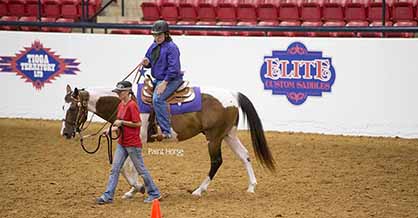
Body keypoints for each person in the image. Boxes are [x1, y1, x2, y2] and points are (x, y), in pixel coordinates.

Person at [96, 81, 161, 204]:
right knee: (115, 169)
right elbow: (120, 123)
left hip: (132, 144)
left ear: (127, 92)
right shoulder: (121, 105)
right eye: (118, 92)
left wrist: (122, 123)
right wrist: (110, 129)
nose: (118, 94)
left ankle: (154, 193)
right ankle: (108, 196)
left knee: (141, 170)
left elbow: (138, 124)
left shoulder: (132, 105)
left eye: (120, 92)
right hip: (122, 142)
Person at [140, 20, 183, 140]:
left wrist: (165, 82)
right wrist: (146, 63)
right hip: (157, 78)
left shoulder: (172, 48)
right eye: (155, 35)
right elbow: (149, 60)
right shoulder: (153, 45)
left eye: (159, 35)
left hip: (172, 79)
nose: (157, 37)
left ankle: (166, 130)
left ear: (166, 34)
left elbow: (174, 69)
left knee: (158, 99)